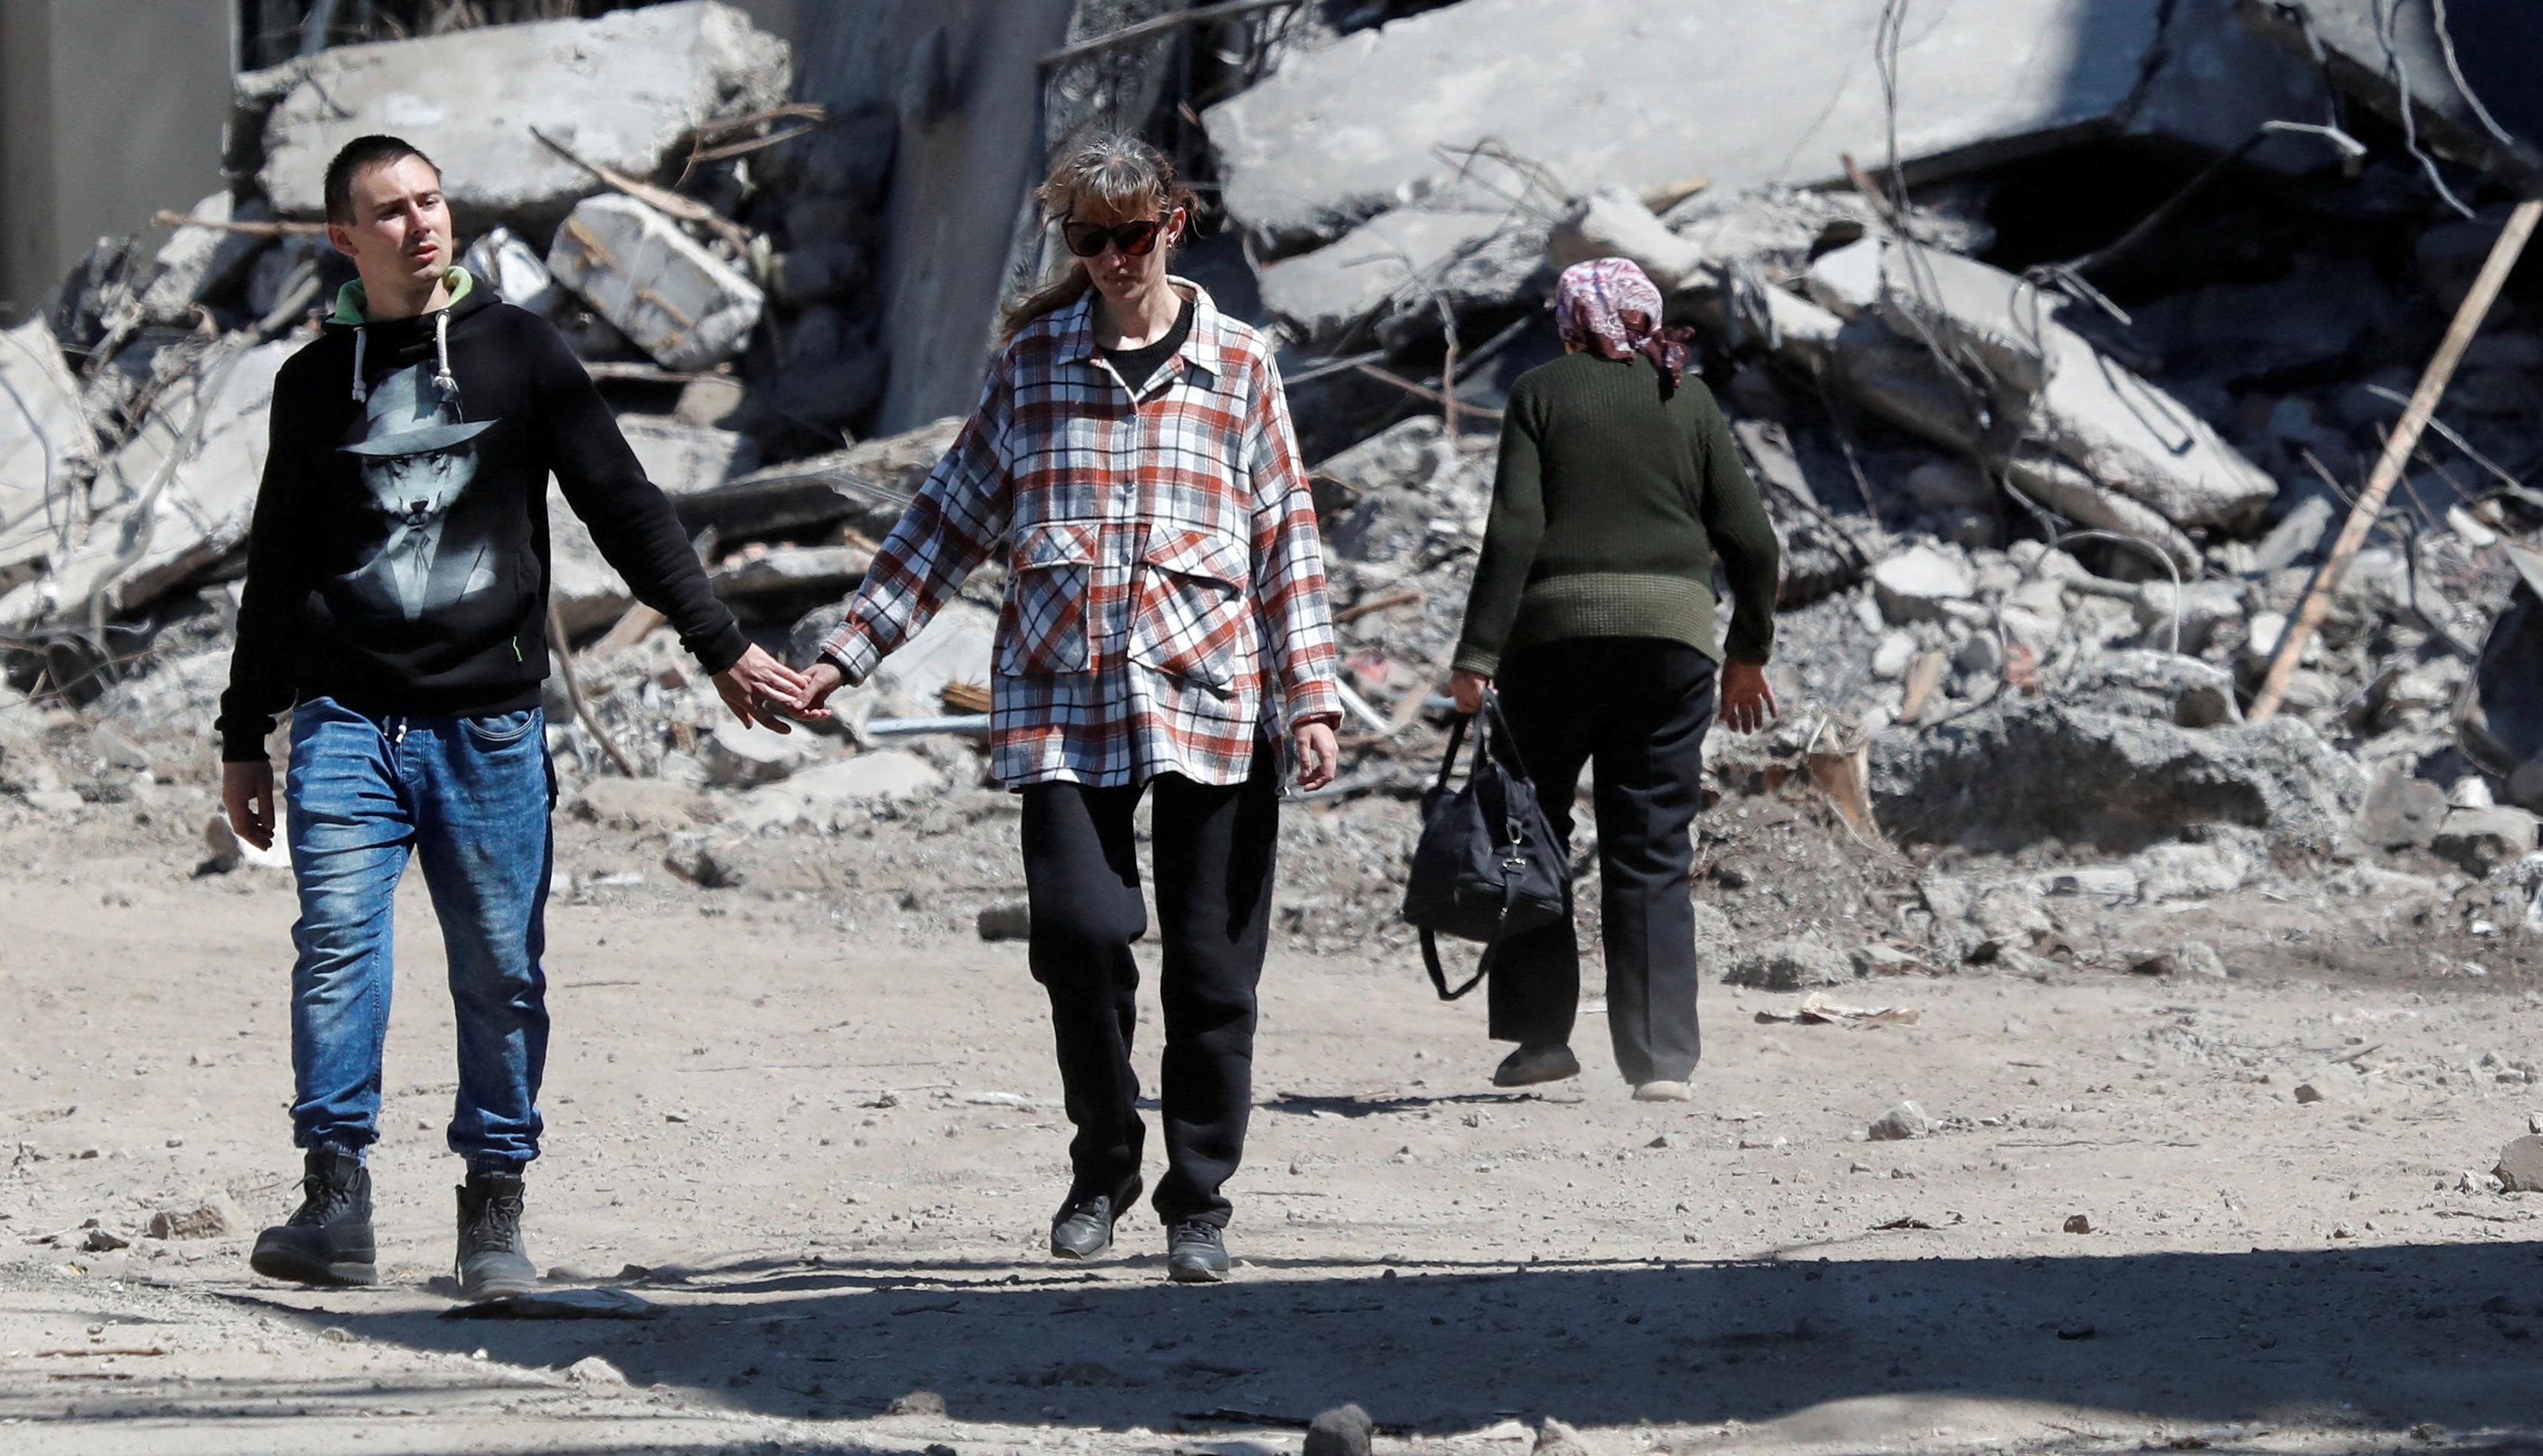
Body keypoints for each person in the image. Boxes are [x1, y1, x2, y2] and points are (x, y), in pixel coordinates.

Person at [218, 134, 819, 1294]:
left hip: (488, 726)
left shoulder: (520, 354)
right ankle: (333, 1201)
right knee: (338, 947)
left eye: (432, 200)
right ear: (345, 239)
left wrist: (722, 643)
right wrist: (246, 730)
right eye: (389, 211)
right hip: (346, 719)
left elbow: (627, 507)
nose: (421, 224)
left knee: (501, 969)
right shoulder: (312, 382)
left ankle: (493, 1214)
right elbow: (277, 563)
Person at [795, 132, 1343, 1285]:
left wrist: (1312, 699)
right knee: (1082, 938)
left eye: (1127, 237)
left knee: (1211, 969)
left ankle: (1199, 1199)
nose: (1107, 259)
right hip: (1060, 701)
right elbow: (945, 519)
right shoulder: (1033, 361)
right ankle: (1103, 1164)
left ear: (1172, 225)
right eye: (1085, 240)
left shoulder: (1241, 365)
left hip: (1214, 698)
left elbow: (1286, 537)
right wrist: (846, 654)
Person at [1446, 257, 1782, 1102]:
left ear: (1568, 320)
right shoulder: (1689, 398)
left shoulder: (1540, 392)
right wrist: (1747, 654)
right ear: (1645, 316)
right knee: (1651, 849)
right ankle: (1661, 1061)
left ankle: (1540, 1042)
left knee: (1532, 834)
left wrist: (1475, 655)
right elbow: (1753, 542)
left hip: (1550, 648)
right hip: (1670, 651)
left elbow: (1514, 527)